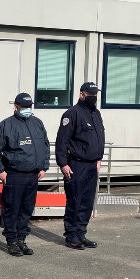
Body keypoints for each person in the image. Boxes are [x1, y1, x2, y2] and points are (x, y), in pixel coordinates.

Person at [0, 93, 50, 256]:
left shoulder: (37, 123)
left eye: (29, 106)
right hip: (15, 175)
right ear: (15, 106)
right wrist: (0, 171)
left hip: (33, 175)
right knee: (12, 209)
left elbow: (45, 145)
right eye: (23, 107)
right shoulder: (6, 125)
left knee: (26, 209)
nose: (27, 109)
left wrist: (44, 166)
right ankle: (12, 241)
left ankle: (21, 239)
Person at [55, 82, 105, 249]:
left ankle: (81, 233)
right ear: (82, 94)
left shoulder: (95, 113)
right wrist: (63, 163)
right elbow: (62, 141)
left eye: (95, 94)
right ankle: (71, 235)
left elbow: (100, 137)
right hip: (76, 165)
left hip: (92, 165)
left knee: (87, 201)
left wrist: (99, 158)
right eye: (90, 94)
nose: (94, 97)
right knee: (75, 201)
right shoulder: (72, 113)